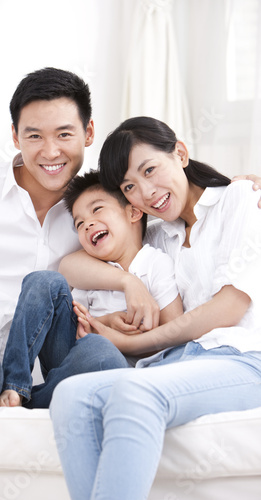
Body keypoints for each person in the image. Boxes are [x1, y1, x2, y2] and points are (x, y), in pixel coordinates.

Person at [50, 116, 261, 500]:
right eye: (130, 186)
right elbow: (69, 265)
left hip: (246, 358)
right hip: (184, 361)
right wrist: (127, 281)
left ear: (180, 152)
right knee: (71, 397)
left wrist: (128, 344)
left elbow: (229, 307)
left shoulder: (241, 199)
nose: (146, 193)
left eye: (150, 170)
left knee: (136, 392)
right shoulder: (160, 233)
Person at [0, 67, 133, 416]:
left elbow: (166, 206)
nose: (50, 152)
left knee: (102, 359)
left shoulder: (97, 215)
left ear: (89, 132)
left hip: (23, 378)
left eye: (64, 134)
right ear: (15, 136)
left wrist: (234, 191)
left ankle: (21, 398)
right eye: (34, 136)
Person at [0, 170, 183, 409]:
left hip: (119, 369)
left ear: (133, 212)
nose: (87, 224)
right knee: (43, 280)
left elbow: (175, 335)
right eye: (79, 223)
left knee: (100, 350)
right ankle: (14, 386)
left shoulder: (155, 263)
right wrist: (105, 322)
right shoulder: (91, 270)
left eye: (97, 209)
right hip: (70, 359)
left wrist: (119, 336)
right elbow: (77, 327)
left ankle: (38, 401)